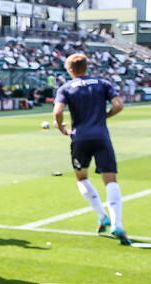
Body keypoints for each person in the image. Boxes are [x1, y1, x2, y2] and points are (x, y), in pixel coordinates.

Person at [53, 53, 129, 245]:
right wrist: (105, 117)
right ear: (87, 66)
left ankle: (101, 216)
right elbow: (119, 105)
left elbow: (58, 111)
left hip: (80, 138)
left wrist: (61, 127)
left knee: (81, 177)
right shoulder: (102, 83)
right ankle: (117, 224)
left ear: (70, 70)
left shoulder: (66, 87)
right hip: (101, 136)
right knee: (110, 179)